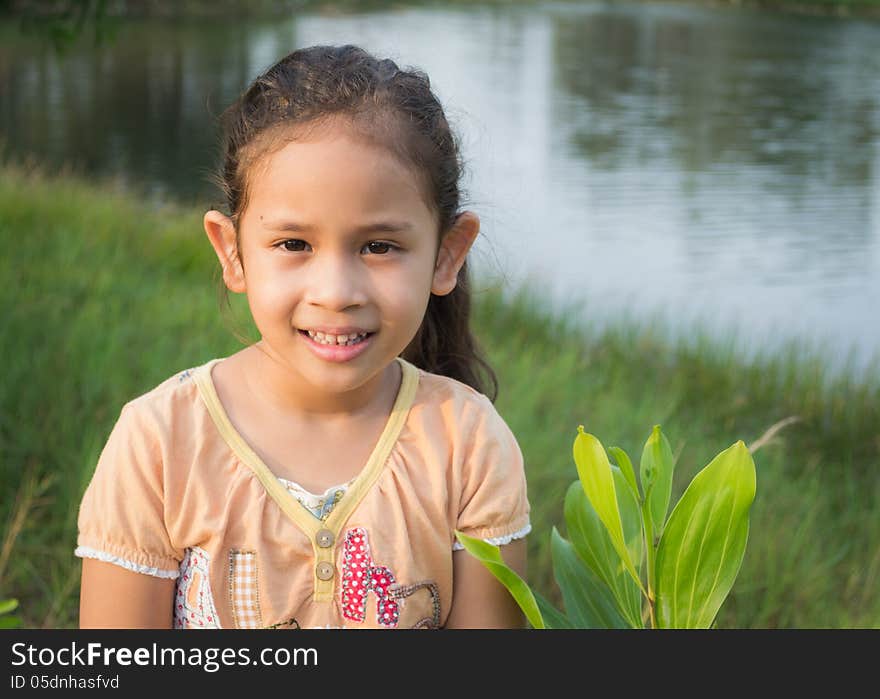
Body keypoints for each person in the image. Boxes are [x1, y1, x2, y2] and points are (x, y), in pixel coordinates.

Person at [75, 44, 531, 630]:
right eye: (294, 244)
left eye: (379, 246)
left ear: (447, 255)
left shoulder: (470, 445)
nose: (336, 291)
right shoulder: (160, 444)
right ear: (232, 252)